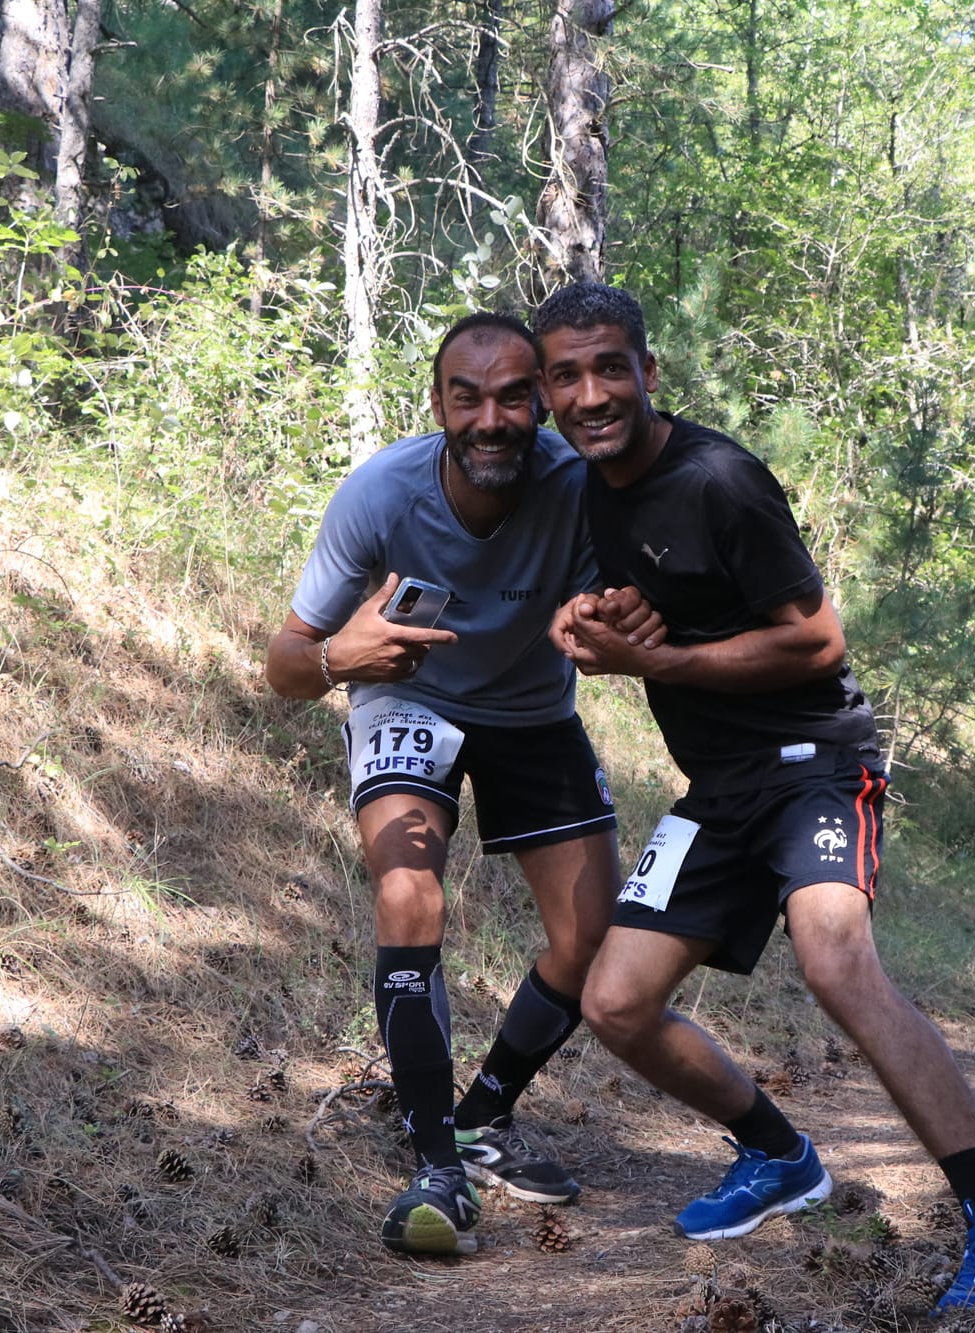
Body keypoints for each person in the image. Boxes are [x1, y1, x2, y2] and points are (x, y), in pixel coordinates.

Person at [533, 283, 975, 1312]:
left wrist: (666, 663)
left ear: (648, 373)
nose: (590, 393)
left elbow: (816, 639)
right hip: (718, 785)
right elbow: (660, 603)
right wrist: (590, 619)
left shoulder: (719, 479)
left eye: (609, 368)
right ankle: (779, 1156)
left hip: (815, 758)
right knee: (612, 1000)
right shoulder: (597, 483)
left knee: (835, 960)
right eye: (567, 374)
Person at [265, 311, 656, 1257]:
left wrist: (624, 619)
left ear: (542, 405)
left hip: (530, 708)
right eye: (467, 396)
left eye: (515, 396)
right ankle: (436, 1164)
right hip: (408, 698)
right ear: (437, 403)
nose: (491, 419)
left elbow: (641, 597)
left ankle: (485, 1114)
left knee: (593, 937)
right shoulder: (381, 494)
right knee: (408, 890)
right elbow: (282, 663)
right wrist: (337, 658)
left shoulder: (578, 486)